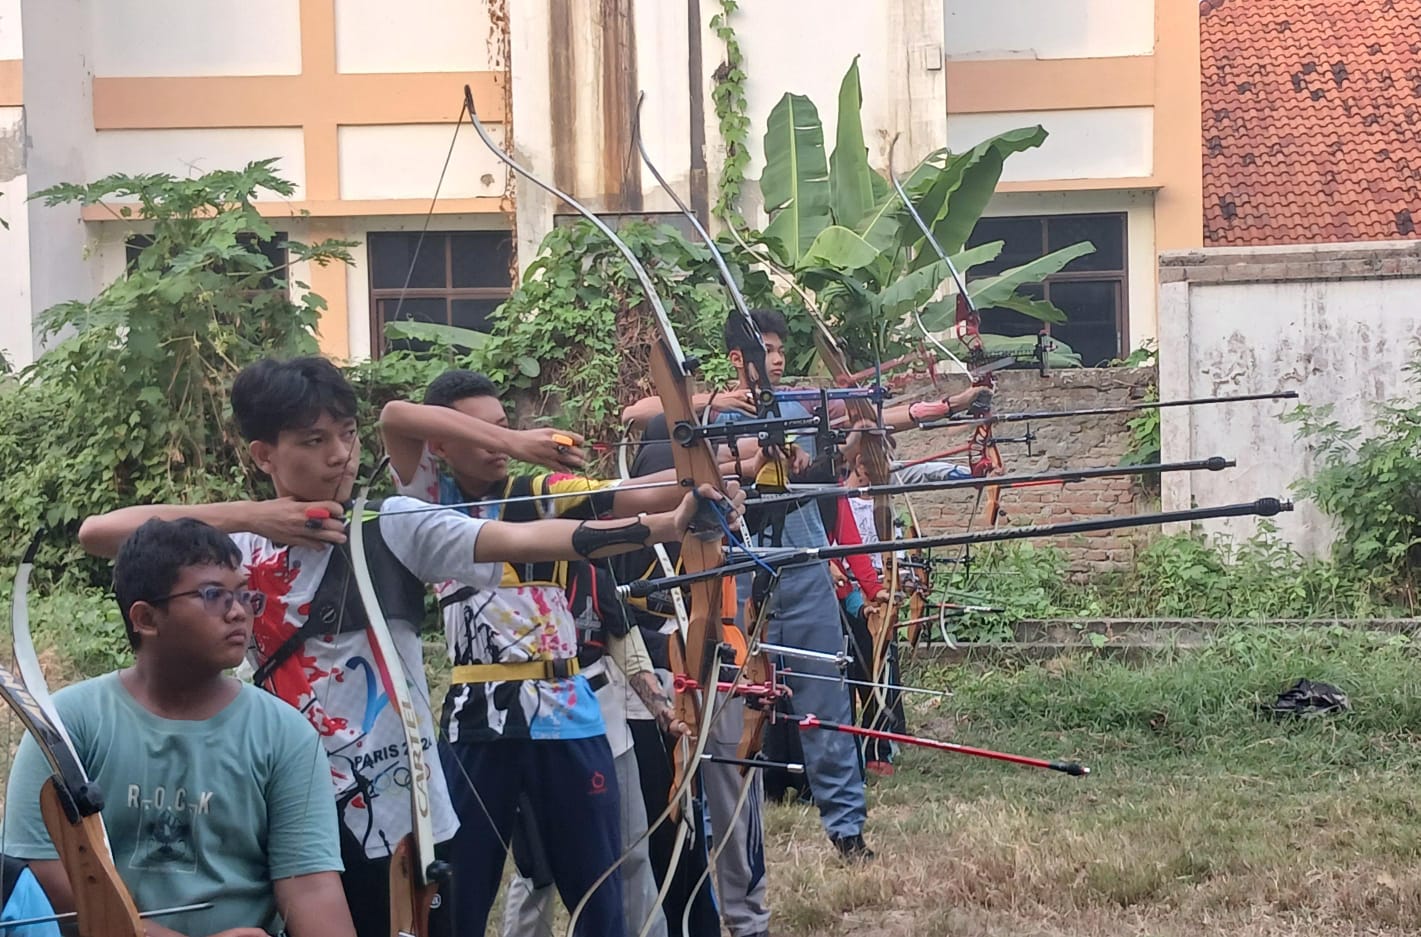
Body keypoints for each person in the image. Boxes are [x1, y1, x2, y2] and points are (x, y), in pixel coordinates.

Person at [77, 356, 743, 937]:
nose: (340, 455)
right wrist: (256, 516)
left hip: (402, 813)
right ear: (263, 456)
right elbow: (101, 532)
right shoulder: (236, 551)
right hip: (290, 801)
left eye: (347, 434)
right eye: (314, 440)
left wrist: (665, 523)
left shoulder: (391, 522)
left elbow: (526, 538)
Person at [379, 369, 750, 937]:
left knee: (598, 891)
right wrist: (514, 441)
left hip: (567, 713)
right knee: (460, 894)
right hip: (478, 719)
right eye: (478, 432)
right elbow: (395, 418)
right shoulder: (432, 500)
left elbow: (621, 495)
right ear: (442, 446)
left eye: (503, 425)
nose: (496, 443)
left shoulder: (537, 492)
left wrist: (701, 484)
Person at [6, 517, 355, 937]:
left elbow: (311, 888)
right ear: (146, 618)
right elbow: (40, 872)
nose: (238, 611)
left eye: (244, 594)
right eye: (213, 595)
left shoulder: (285, 734)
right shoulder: (68, 724)